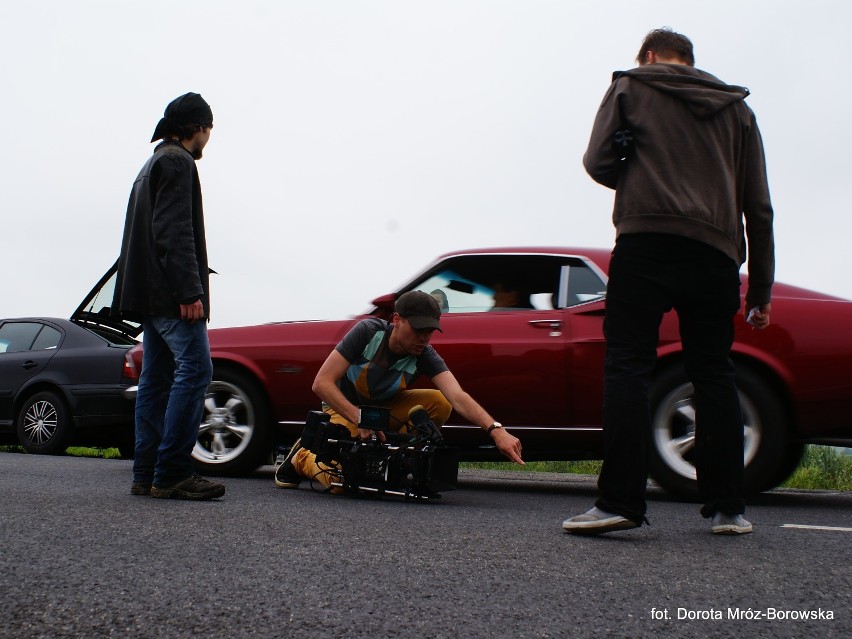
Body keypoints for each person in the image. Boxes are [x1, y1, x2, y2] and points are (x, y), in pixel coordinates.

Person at [562, 29, 773, 535]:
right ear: (690, 60)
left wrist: (627, 162)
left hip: (646, 241)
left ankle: (620, 502)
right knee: (714, 375)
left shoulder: (631, 86)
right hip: (715, 251)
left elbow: (597, 163)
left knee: (629, 368)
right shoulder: (738, 110)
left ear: (650, 56)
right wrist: (760, 291)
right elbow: (759, 207)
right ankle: (728, 509)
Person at [275, 290, 524, 490]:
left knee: (440, 401)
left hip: (384, 409)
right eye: (418, 330)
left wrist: (495, 430)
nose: (424, 338)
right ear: (396, 320)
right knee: (340, 479)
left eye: (429, 332)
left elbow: (457, 397)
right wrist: (358, 418)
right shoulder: (368, 332)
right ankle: (301, 456)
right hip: (346, 409)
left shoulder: (425, 354)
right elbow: (322, 383)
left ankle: (396, 461)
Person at [112, 92, 225, 500]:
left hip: (147, 294)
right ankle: (173, 470)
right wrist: (189, 290)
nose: (209, 138)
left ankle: (147, 473)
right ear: (199, 128)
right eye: (210, 130)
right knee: (196, 371)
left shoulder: (151, 164)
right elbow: (173, 231)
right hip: (170, 295)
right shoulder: (177, 162)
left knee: (155, 381)